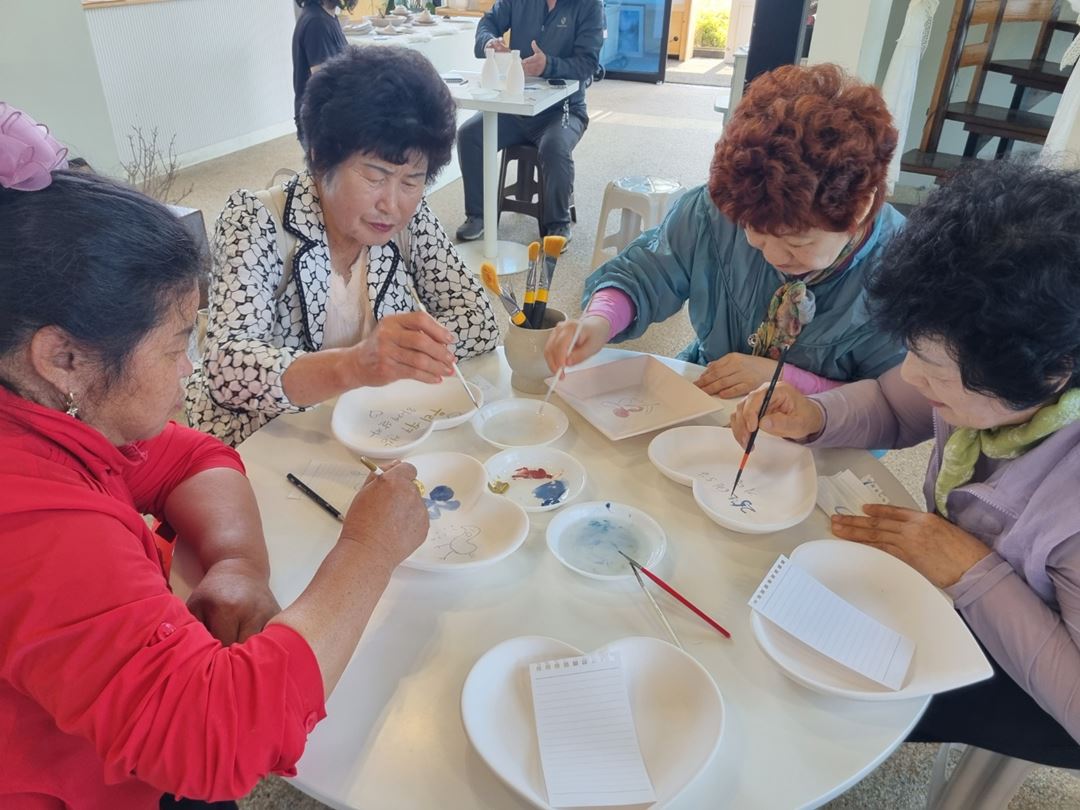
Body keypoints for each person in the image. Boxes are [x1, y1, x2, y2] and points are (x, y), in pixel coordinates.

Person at [0, 106, 430, 809]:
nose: (189, 370)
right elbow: (217, 736)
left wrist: (237, 563)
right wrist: (368, 550)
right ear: (64, 358)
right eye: (176, 346)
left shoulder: (52, 405)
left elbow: (190, 455)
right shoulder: (29, 520)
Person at [731, 160, 1080, 766]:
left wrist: (972, 571)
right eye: (912, 351)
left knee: (813, 683)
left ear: (1048, 375)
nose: (913, 375)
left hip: (1048, 685)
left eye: (936, 369)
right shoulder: (994, 368)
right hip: (973, 587)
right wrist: (815, 415)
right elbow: (894, 403)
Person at [187, 46, 499, 446]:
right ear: (321, 159)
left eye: (412, 180)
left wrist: (410, 351)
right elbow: (225, 368)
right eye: (375, 177)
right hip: (270, 440)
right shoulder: (257, 219)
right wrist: (353, 365)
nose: (392, 204)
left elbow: (479, 319)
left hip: (372, 427)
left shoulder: (411, 219)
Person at [544, 63, 905, 398]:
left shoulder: (902, 274)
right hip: (708, 391)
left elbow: (893, 406)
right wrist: (600, 320)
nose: (772, 256)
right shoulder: (723, 208)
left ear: (860, 208)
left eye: (797, 242)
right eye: (754, 233)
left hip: (820, 433)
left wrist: (789, 381)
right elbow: (648, 271)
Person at [454, 0, 604, 245]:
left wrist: (549, 65)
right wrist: (488, 42)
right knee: (469, 135)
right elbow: (488, 22)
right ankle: (478, 215)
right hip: (516, 106)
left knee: (554, 147)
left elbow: (588, 64)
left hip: (563, 110)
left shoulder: (590, 5)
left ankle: (558, 224)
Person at [291, 0, 353, 144]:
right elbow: (323, 84)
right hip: (319, 123)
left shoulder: (328, 17)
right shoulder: (317, 22)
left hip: (327, 116)